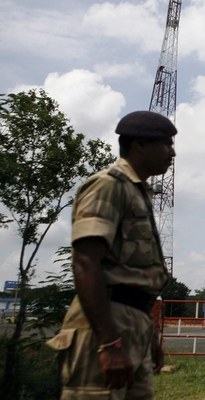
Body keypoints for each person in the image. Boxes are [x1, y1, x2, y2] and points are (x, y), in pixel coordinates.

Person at [46, 111, 176, 399]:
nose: (172, 152)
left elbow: (132, 274)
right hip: (106, 326)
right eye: (166, 144)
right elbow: (85, 262)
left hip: (134, 324)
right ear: (139, 144)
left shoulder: (138, 192)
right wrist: (109, 343)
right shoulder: (108, 185)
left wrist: (150, 333)